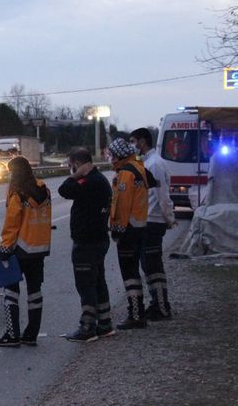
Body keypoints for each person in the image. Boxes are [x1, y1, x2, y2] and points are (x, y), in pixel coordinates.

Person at [0, 156, 52, 347]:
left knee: (11, 291)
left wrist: (5, 247)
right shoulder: (44, 190)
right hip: (39, 249)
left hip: (19, 249)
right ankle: (31, 334)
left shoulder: (17, 192)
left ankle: (12, 334)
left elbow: (12, 222)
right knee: (35, 292)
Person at [58, 149, 114, 342]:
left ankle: (88, 326)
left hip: (86, 242)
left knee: (85, 284)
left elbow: (64, 190)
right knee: (98, 281)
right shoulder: (100, 180)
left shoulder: (89, 182)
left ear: (78, 164)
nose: (69, 169)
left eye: (70, 165)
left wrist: (77, 174)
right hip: (99, 239)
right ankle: (105, 323)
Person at [131, 127, 176, 320]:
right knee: (148, 265)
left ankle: (162, 307)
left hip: (153, 221)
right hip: (147, 221)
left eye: (133, 141)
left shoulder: (155, 164)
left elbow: (162, 196)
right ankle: (156, 303)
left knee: (152, 265)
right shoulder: (147, 162)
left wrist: (169, 219)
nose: (132, 146)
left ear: (142, 142)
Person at [108, 137, 150, 330]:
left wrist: (117, 229)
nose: (110, 158)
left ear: (118, 155)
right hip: (140, 225)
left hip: (129, 229)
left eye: (112, 154)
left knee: (130, 274)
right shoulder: (139, 167)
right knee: (134, 271)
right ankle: (137, 312)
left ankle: (135, 314)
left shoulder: (126, 173)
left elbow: (122, 204)